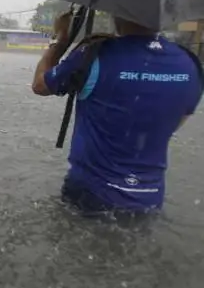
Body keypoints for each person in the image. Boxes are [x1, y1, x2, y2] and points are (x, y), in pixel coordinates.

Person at [31, 12, 203, 215]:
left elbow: (40, 85)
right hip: (150, 197)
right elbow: (174, 122)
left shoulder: (94, 54)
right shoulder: (190, 63)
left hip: (91, 193)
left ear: (118, 12)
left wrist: (60, 40)